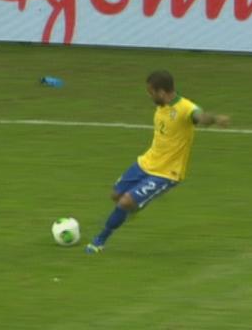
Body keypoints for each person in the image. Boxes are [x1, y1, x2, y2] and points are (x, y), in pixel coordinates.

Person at [85, 70, 230, 254]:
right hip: (146, 162)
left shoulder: (185, 108)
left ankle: (99, 241)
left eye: (151, 92)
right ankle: (134, 205)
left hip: (167, 172)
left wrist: (216, 119)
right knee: (116, 195)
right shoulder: (162, 106)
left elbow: (199, 116)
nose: (149, 96)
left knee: (125, 202)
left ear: (161, 92)